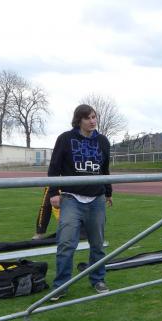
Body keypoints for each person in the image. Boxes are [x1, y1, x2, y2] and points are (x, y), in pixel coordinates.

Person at [47, 104, 113, 298]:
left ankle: (98, 279)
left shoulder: (103, 141)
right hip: (71, 198)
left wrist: (108, 192)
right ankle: (61, 285)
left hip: (97, 199)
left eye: (94, 117)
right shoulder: (65, 139)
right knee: (66, 244)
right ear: (79, 120)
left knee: (98, 244)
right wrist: (53, 192)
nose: (92, 121)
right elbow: (54, 168)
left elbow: (105, 170)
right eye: (88, 118)